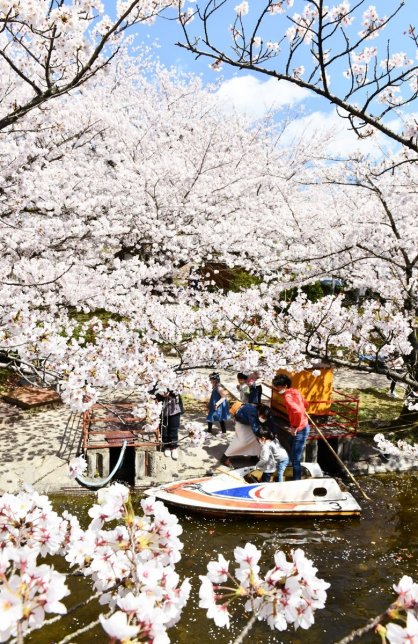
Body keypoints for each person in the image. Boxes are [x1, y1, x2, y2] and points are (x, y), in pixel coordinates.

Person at [272, 374, 310, 481]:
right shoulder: (295, 391)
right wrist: (303, 409)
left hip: (300, 429)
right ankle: (292, 472)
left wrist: (294, 427)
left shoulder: (288, 397)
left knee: (295, 459)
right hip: (304, 424)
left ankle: (296, 480)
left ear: (284, 386)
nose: (277, 389)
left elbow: (297, 411)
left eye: (278, 387)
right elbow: (306, 404)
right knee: (292, 451)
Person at [156, 391, 184, 460]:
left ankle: (173, 447)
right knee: (164, 428)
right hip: (162, 408)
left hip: (174, 407)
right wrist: (160, 395)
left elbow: (179, 389)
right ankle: (166, 446)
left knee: (174, 427)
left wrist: (170, 393)